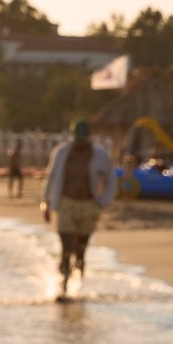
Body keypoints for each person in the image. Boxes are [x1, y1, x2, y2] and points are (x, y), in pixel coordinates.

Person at [42, 115, 117, 297]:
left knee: (81, 250)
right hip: (66, 204)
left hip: (89, 206)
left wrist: (103, 201)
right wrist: (46, 202)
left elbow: (111, 181)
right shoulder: (61, 153)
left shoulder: (100, 155)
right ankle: (63, 287)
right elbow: (51, 177)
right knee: (66, 248)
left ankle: (78, 286)